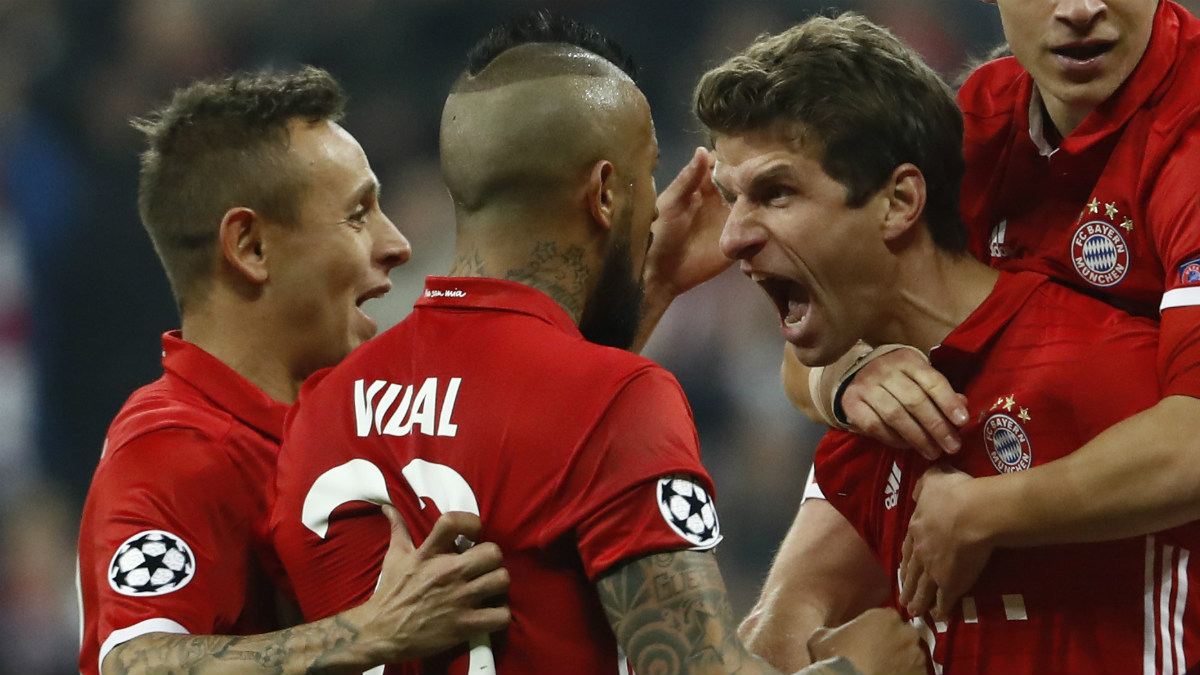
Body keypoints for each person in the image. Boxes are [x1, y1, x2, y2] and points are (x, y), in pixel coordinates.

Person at [269, 12, 925, 675]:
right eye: (647, 175)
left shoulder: (321, 406)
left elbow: (529, 426)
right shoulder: (619, 400)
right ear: (605, 192)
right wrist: (858, 669)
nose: (655, 207)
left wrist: (654, 287)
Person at [695, 12, 1200, 673]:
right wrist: (850, 379)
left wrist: (983, 509)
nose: (1078, 7)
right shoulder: (981, 124)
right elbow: (830, 330)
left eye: (776, 191)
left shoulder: (1186, 140)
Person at [76, 67, 512, 675]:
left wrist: (648, 290)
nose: (398, 244)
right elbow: (137, 665)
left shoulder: (352, 416)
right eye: (359, 214)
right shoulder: (175, 447)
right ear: (251, 247)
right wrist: (372, 630)